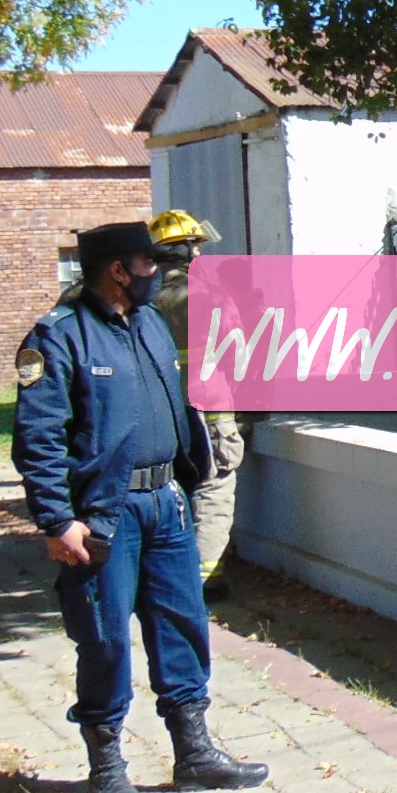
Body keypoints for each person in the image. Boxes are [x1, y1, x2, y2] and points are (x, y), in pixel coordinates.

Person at [13, 220, 266, 793]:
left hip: (165, 503)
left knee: (183, 624)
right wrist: (56, 519)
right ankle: (107, 767)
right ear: (118, 271)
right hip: (104, 514)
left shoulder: (150, 322)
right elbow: (38, 436)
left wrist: (191, 471)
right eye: (148, 263)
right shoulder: (59, 336)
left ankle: (193, 751)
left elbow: (176, 404)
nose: (158, 272)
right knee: (103, 638)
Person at [142, 210, 253, 595]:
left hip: (160, 416)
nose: (201, 254)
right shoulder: (206, 295)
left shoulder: (141, 302)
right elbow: (239, 358)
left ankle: (181, 576)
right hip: (209, 415)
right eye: (197, 247)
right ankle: (197, 584)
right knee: (212, 491)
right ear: (186, 251)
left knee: (173, 491)